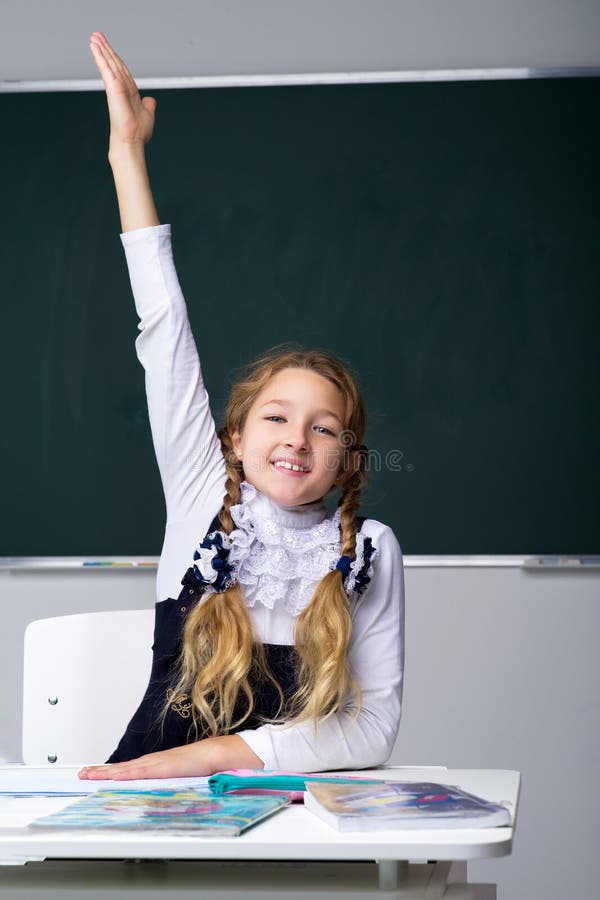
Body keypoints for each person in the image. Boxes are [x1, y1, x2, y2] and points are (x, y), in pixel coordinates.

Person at [79, 32, 404, 781]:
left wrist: (220, 756)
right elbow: (163, 330)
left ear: (348, 459)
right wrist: (127, 155)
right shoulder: (201, 495)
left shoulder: (370, 552)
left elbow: (376, 727)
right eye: (277, 417)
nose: (298, 439)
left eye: (325, 429)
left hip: (288, 810)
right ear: (232, 438)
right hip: (150, 801)